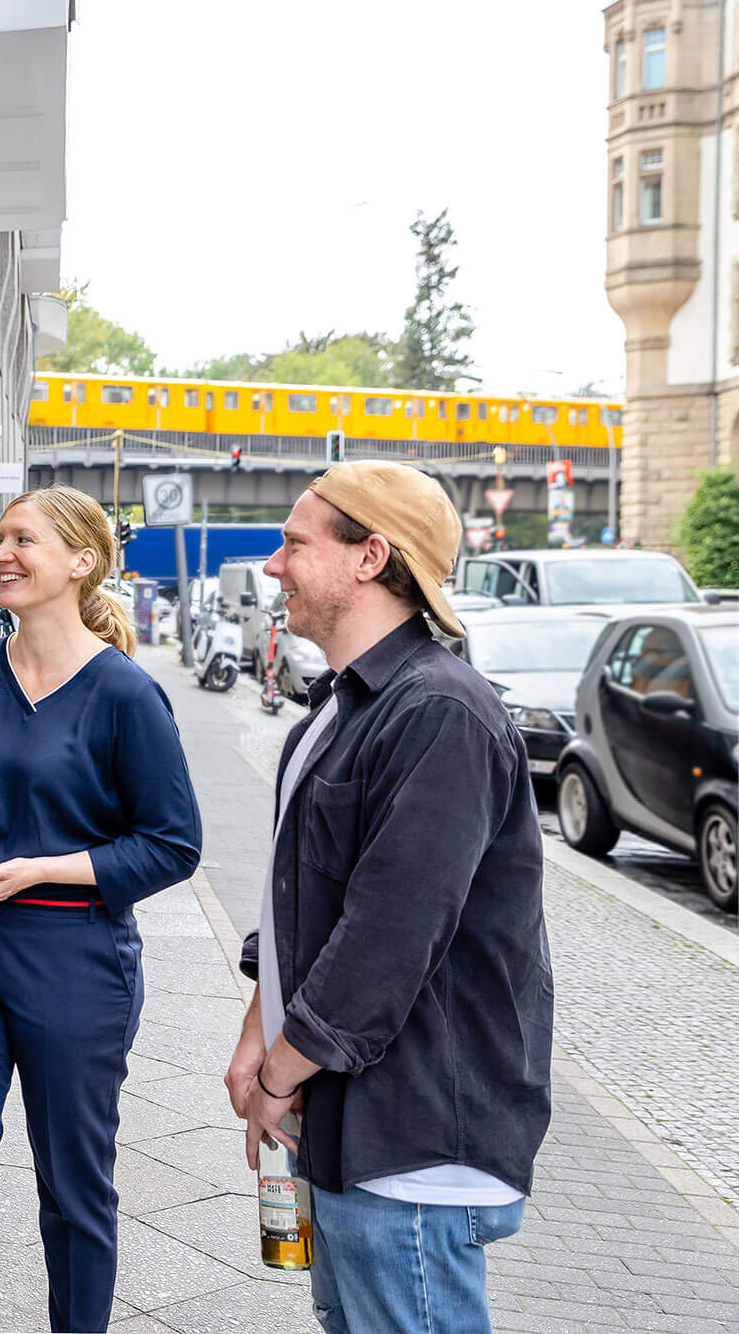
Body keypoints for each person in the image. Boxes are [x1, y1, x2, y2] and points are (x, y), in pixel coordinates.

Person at [224, 461, 552, 1334]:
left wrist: (280, 1072)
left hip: (412, 1146)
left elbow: (388, 939)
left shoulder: (440, 711)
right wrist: (261, 1032)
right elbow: (302, 900)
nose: (273, 565)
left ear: (370, 557)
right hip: (349, 1130)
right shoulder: (338, 711)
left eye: (295, 543)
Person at [0, 486, 202, 1333]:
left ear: (80, 561)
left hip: (74, 959)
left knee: (73, 1191)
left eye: (23, 539)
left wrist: (36, 870)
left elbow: (173, 843)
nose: (4, 553)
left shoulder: (126, 695)